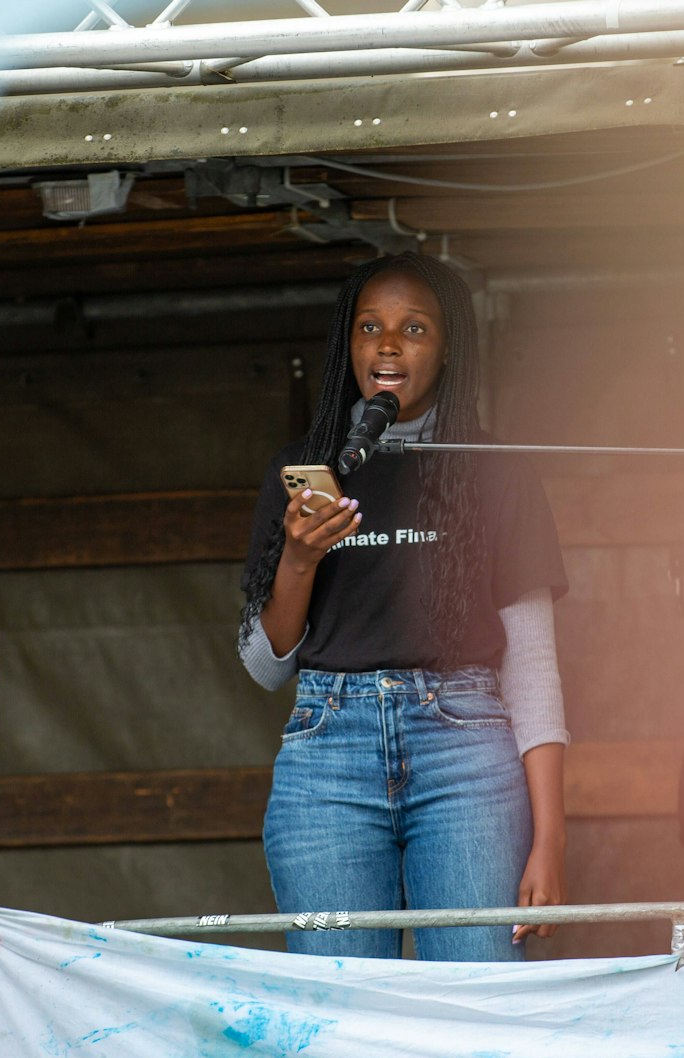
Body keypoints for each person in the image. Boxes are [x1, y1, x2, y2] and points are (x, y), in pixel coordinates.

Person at [237, 252, 570, 961]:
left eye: (413, 328)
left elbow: (534, 665)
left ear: (449, 350)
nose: (387, 344)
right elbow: (265, 668)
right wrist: (298, 558)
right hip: (328, 752)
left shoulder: (497, 470)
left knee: (477, 999)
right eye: (369, 328)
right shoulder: (303, 472)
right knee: (342, 1013)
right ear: (347, 347)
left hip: (466, 752)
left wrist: (552, 838)